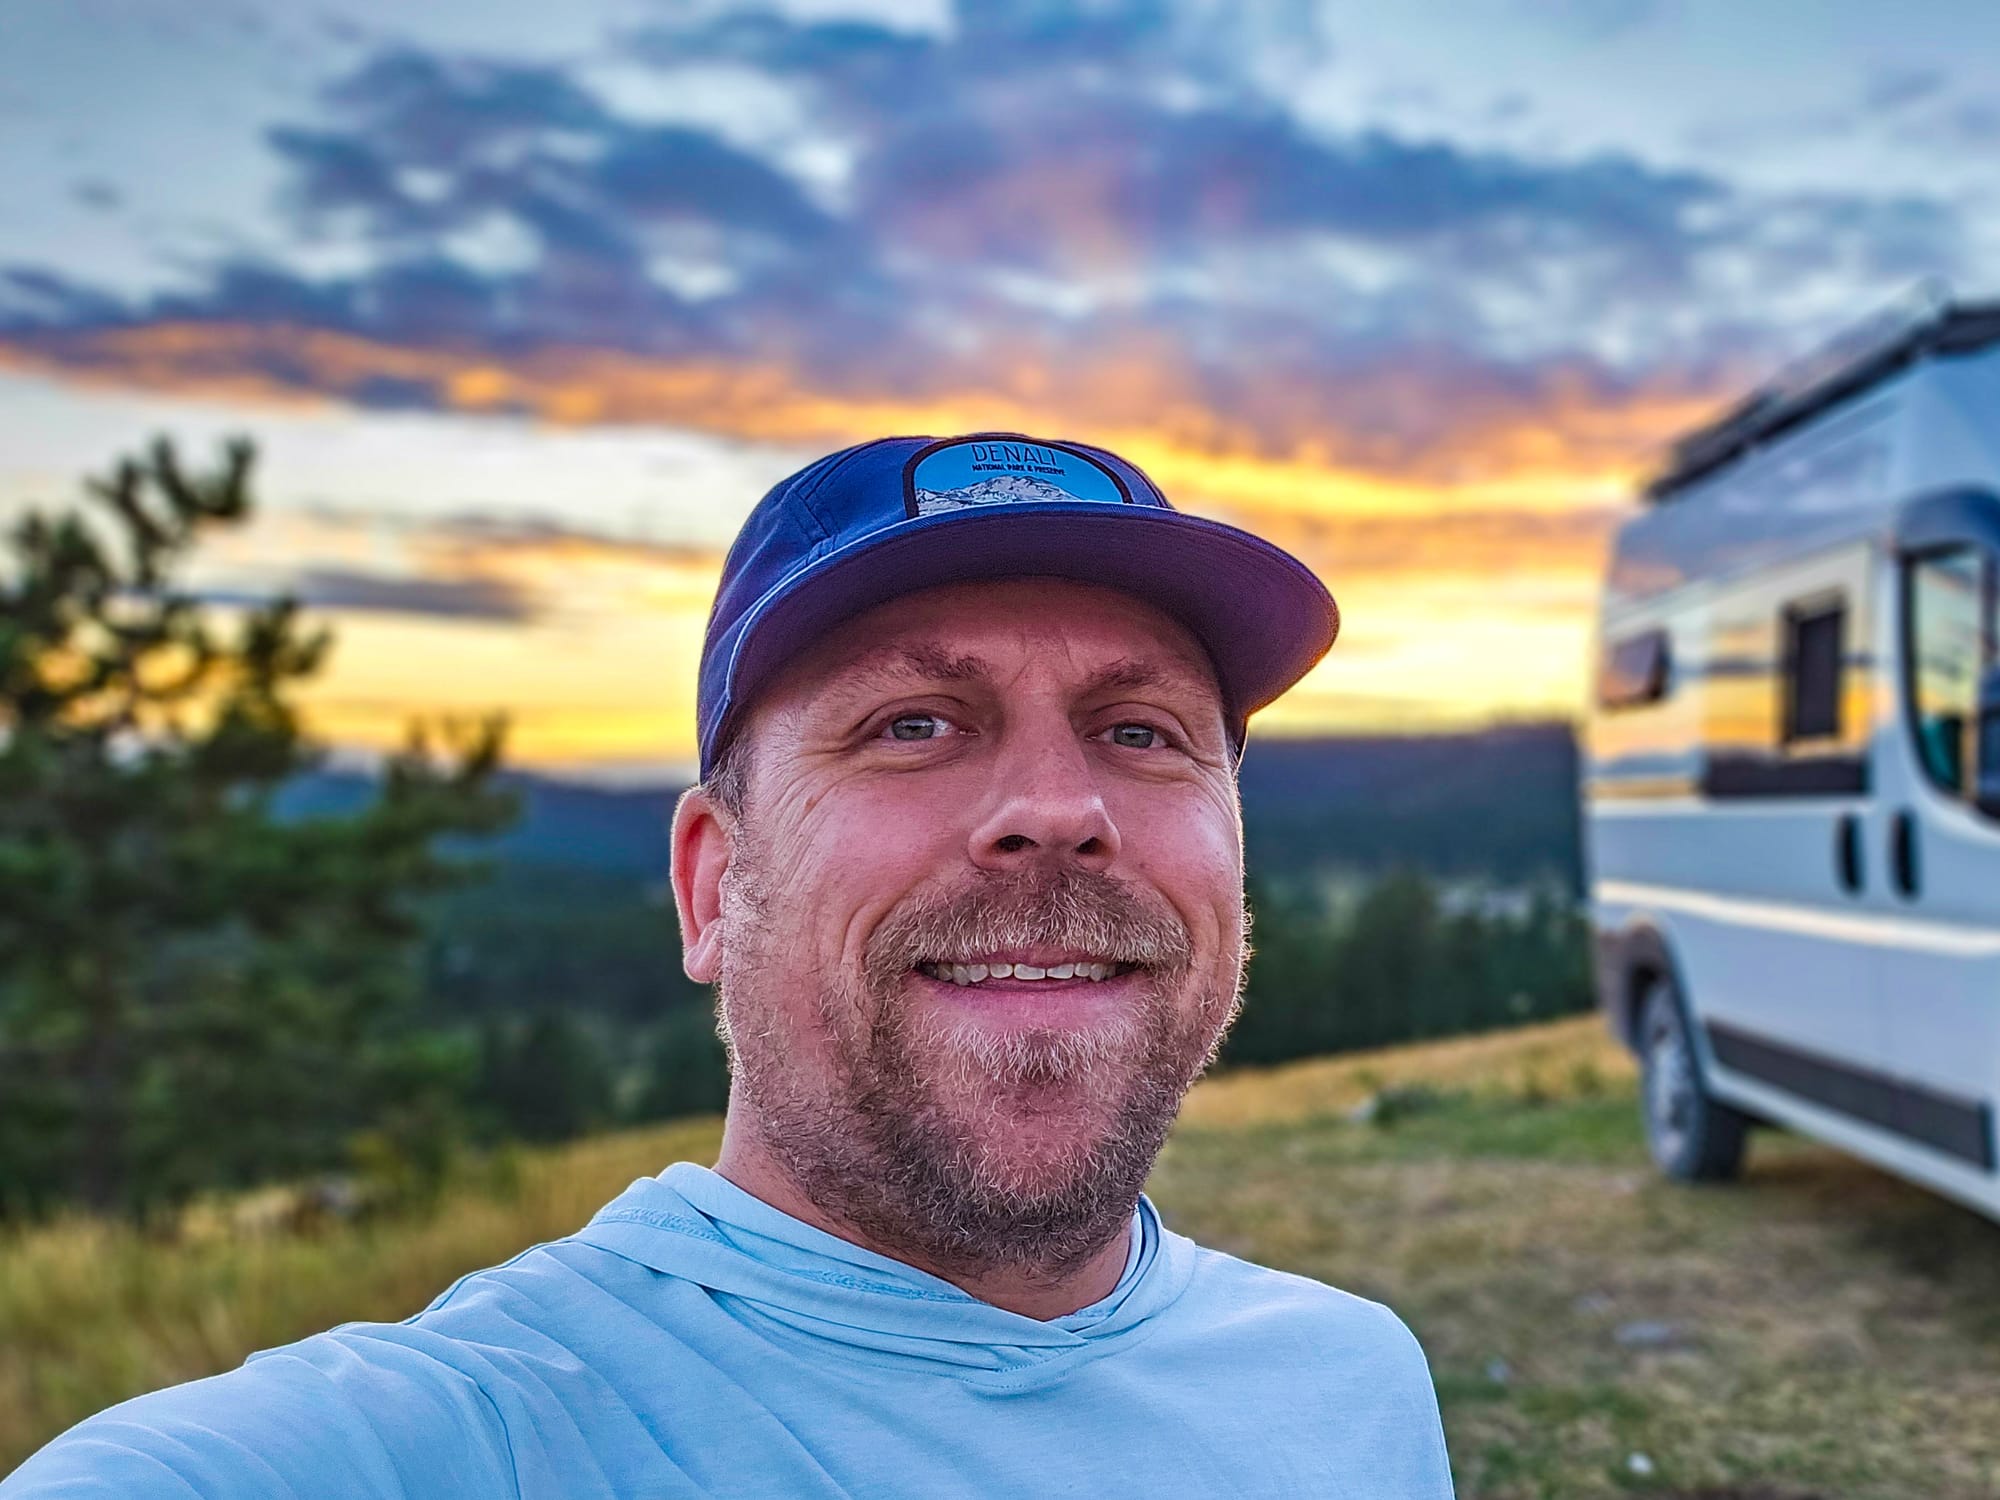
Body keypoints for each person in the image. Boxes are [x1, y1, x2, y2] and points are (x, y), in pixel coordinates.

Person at [3, 433, 1456, 1498]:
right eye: (914, 724)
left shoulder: (1353, 1381)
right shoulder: (469, 1439)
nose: (1059, 812)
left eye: (1141, 731)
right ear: (712, 885)